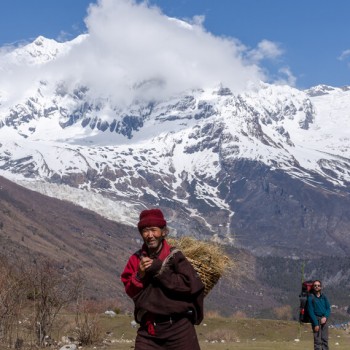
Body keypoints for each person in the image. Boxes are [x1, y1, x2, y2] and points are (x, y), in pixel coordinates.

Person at [121, 208, 205, 350]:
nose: (150, 235)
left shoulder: (175, 256)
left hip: (179, 329)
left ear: (163, 232)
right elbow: (130, 291)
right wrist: (139, 275)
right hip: (149, 331)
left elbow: (190, 285)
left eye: (154, 230)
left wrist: (160, 270)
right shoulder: (135, 260)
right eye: (145, 231)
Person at [307, 280, 331, 350]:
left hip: (324, 319)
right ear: (313, 287)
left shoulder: (324, 297)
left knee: (325, 339)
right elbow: (310, 311)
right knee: (317, 341)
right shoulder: (311, 298)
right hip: (316, 319)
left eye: (318, 285)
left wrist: (325, 317)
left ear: (321, 287)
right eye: (315, 285)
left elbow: (328, 308)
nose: (317, 287)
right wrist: (316, 324)